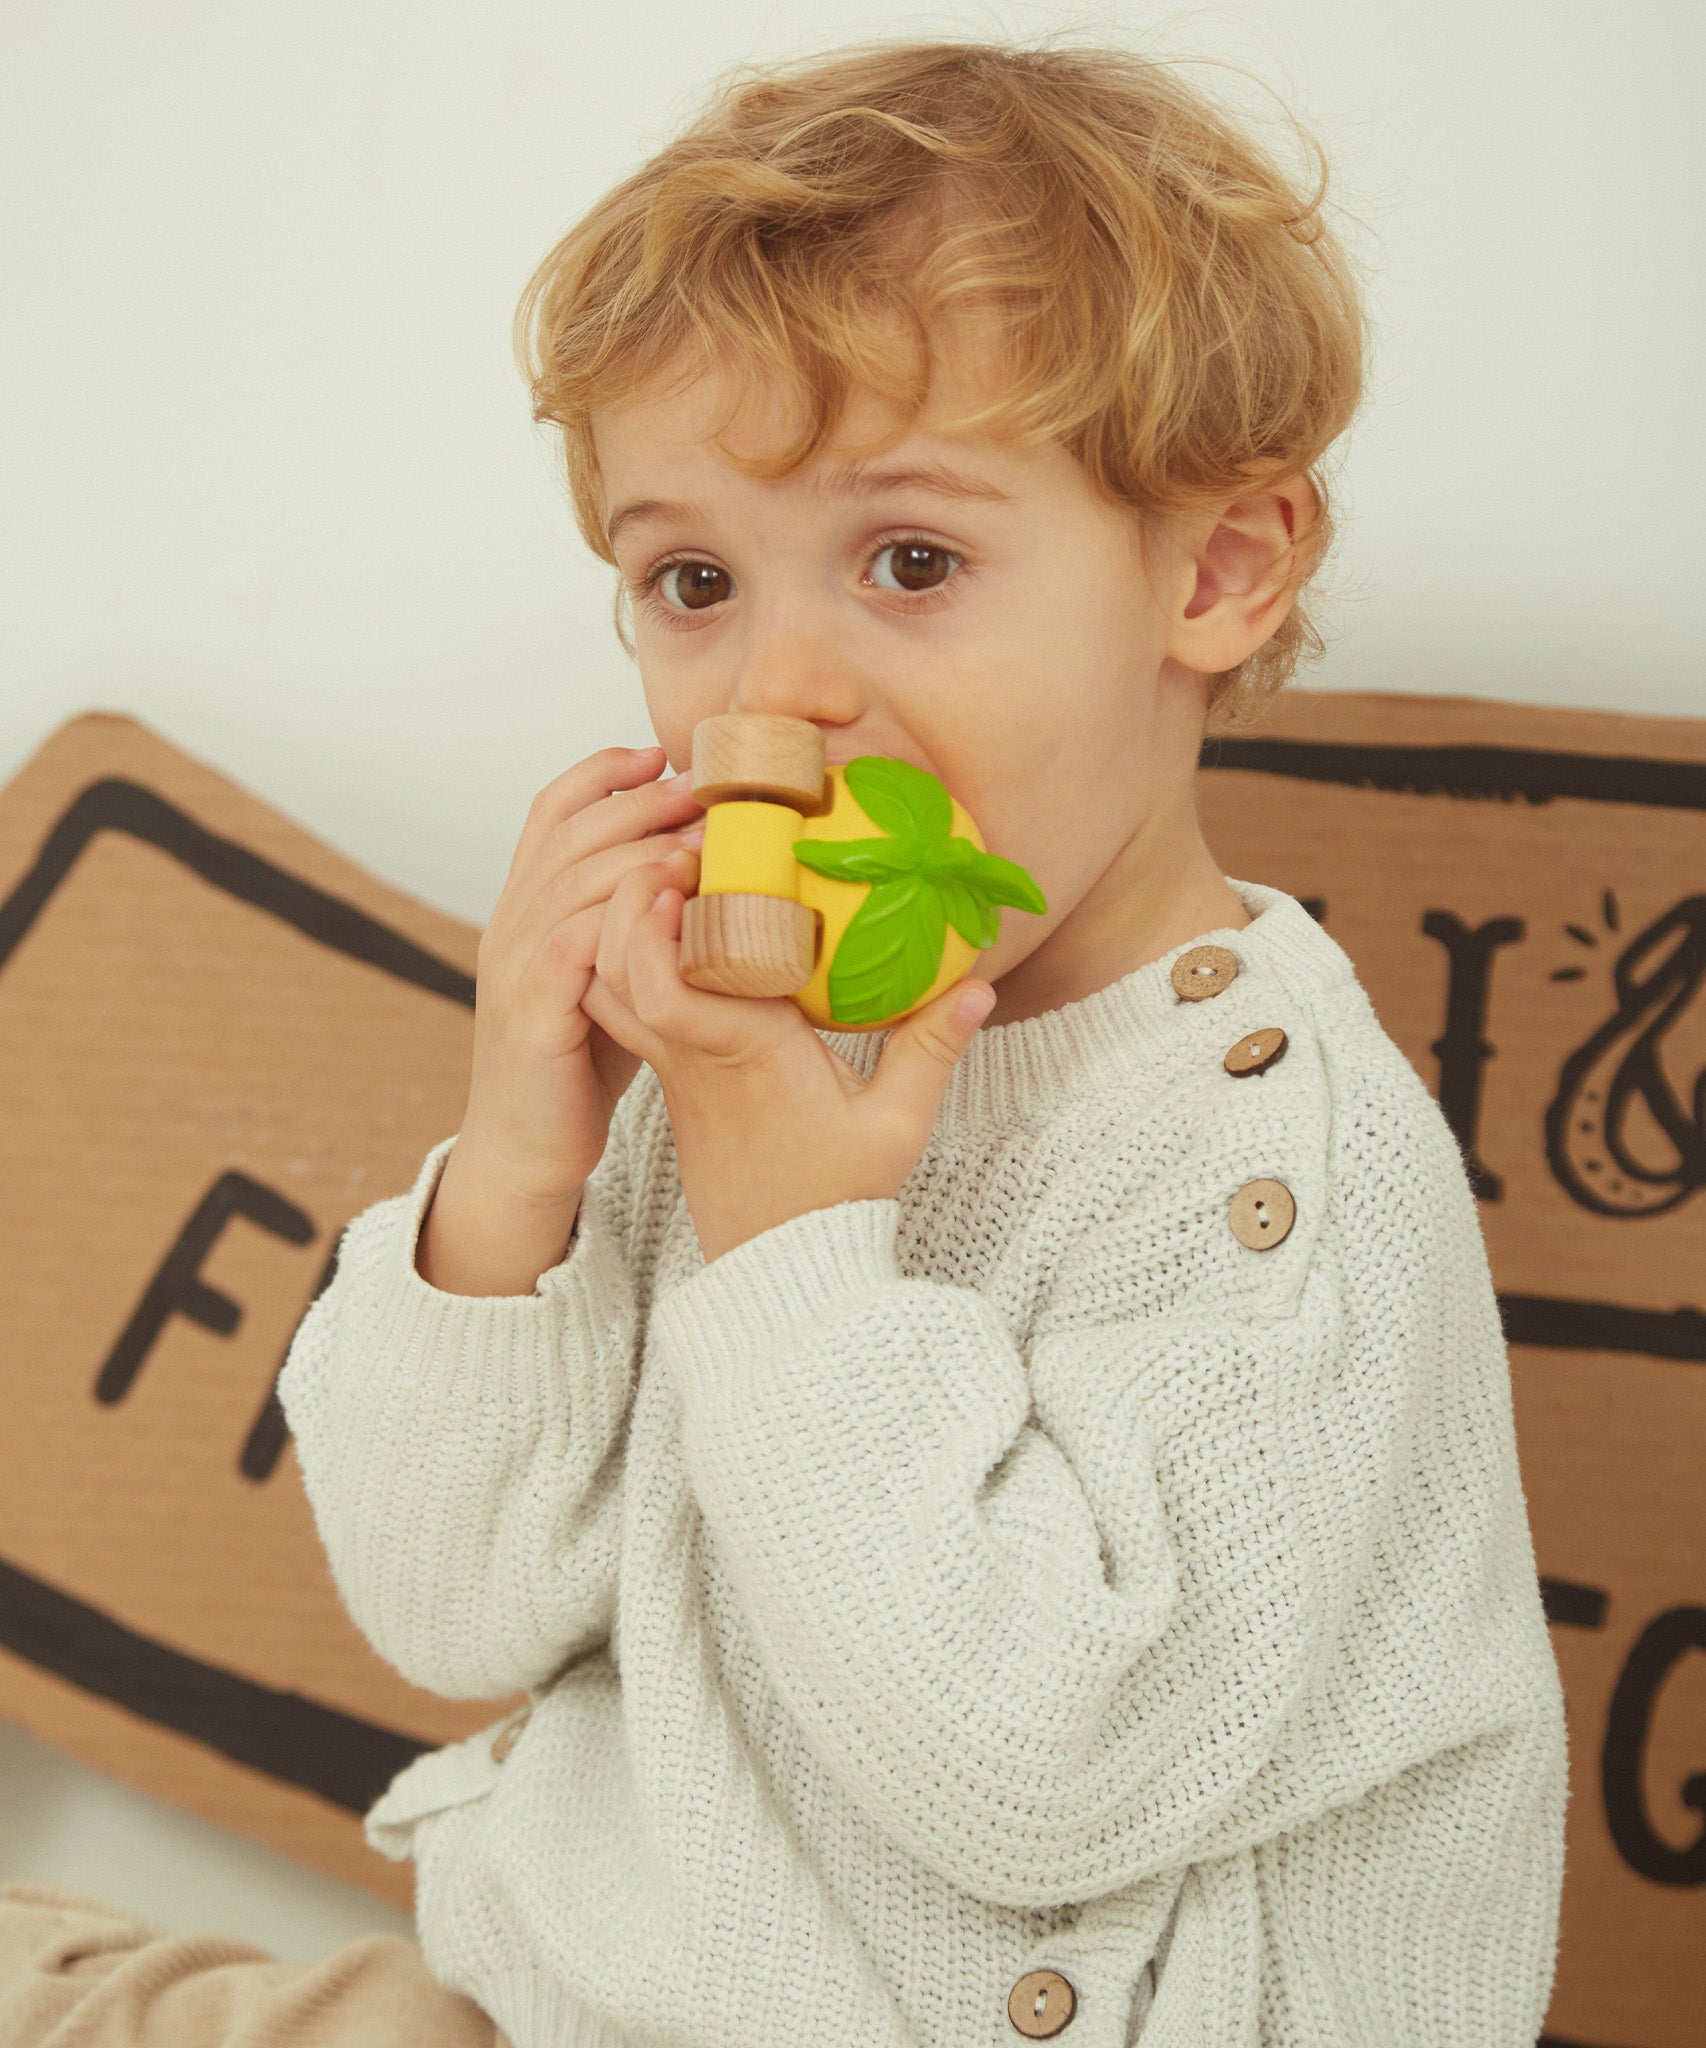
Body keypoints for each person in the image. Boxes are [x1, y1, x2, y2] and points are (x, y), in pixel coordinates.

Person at [0, 33, 1568, 2048]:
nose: (779, 685)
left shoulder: (1278, 1168)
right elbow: (447, 1606)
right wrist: (519, 1175)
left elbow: (1038, 1767)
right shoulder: (742, 1054)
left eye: (910, 563)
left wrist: (796, 1237)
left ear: (1214, 570)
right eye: (691, 581)